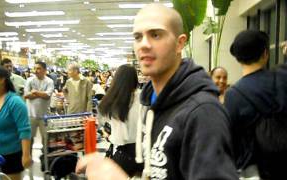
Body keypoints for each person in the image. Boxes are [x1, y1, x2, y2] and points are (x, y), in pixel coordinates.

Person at [76, 3, 238, 180]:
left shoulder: (202, 112)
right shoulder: (153, 103)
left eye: (155, 35)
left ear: (180, 43)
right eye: (138, 37)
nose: (144, 44)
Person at [224, 30, 287, 179]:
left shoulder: (233, 94)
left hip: (256, 171)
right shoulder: (282, 76)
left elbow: (231, 139)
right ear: (265, 53)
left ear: (237, 59)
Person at [97, 64, 143, 176]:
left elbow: (120, 138)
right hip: (144, 153)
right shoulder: (143, 96)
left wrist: (107, 136)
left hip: (125, 155)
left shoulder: (114, 101)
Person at [24, 61, 54, 146]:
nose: (36, 70)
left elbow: (47, 95)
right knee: (29, 138)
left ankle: (45, 157)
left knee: (46, 138)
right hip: (31, 115)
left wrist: (35, 92)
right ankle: (28, 156)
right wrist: (41, 94)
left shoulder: (49, 81)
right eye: (35, 68)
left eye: (38, 68)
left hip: (44, 116)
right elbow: (26, 95)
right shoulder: (29, 80)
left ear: (44, 70)